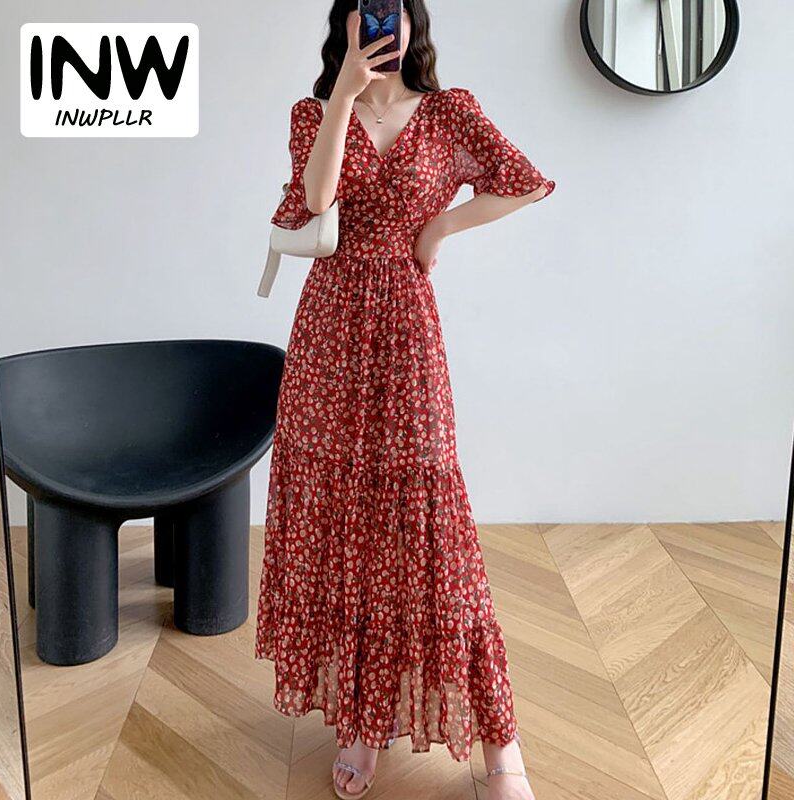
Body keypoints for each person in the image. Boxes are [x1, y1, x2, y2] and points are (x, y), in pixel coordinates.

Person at [255, 2, 555, 798]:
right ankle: (362, 723)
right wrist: (344, 97)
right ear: (347, 26)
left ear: (414, 22)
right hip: (329, 331)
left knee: (430, 518)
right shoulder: (313, 112)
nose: (384, 27)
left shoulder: (450, 112)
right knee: (346, 518)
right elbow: (316, 199)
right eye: (369, 13)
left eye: (395, 10)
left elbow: (525, 182)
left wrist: (441, 228)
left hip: (407, 327)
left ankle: (501, 746)